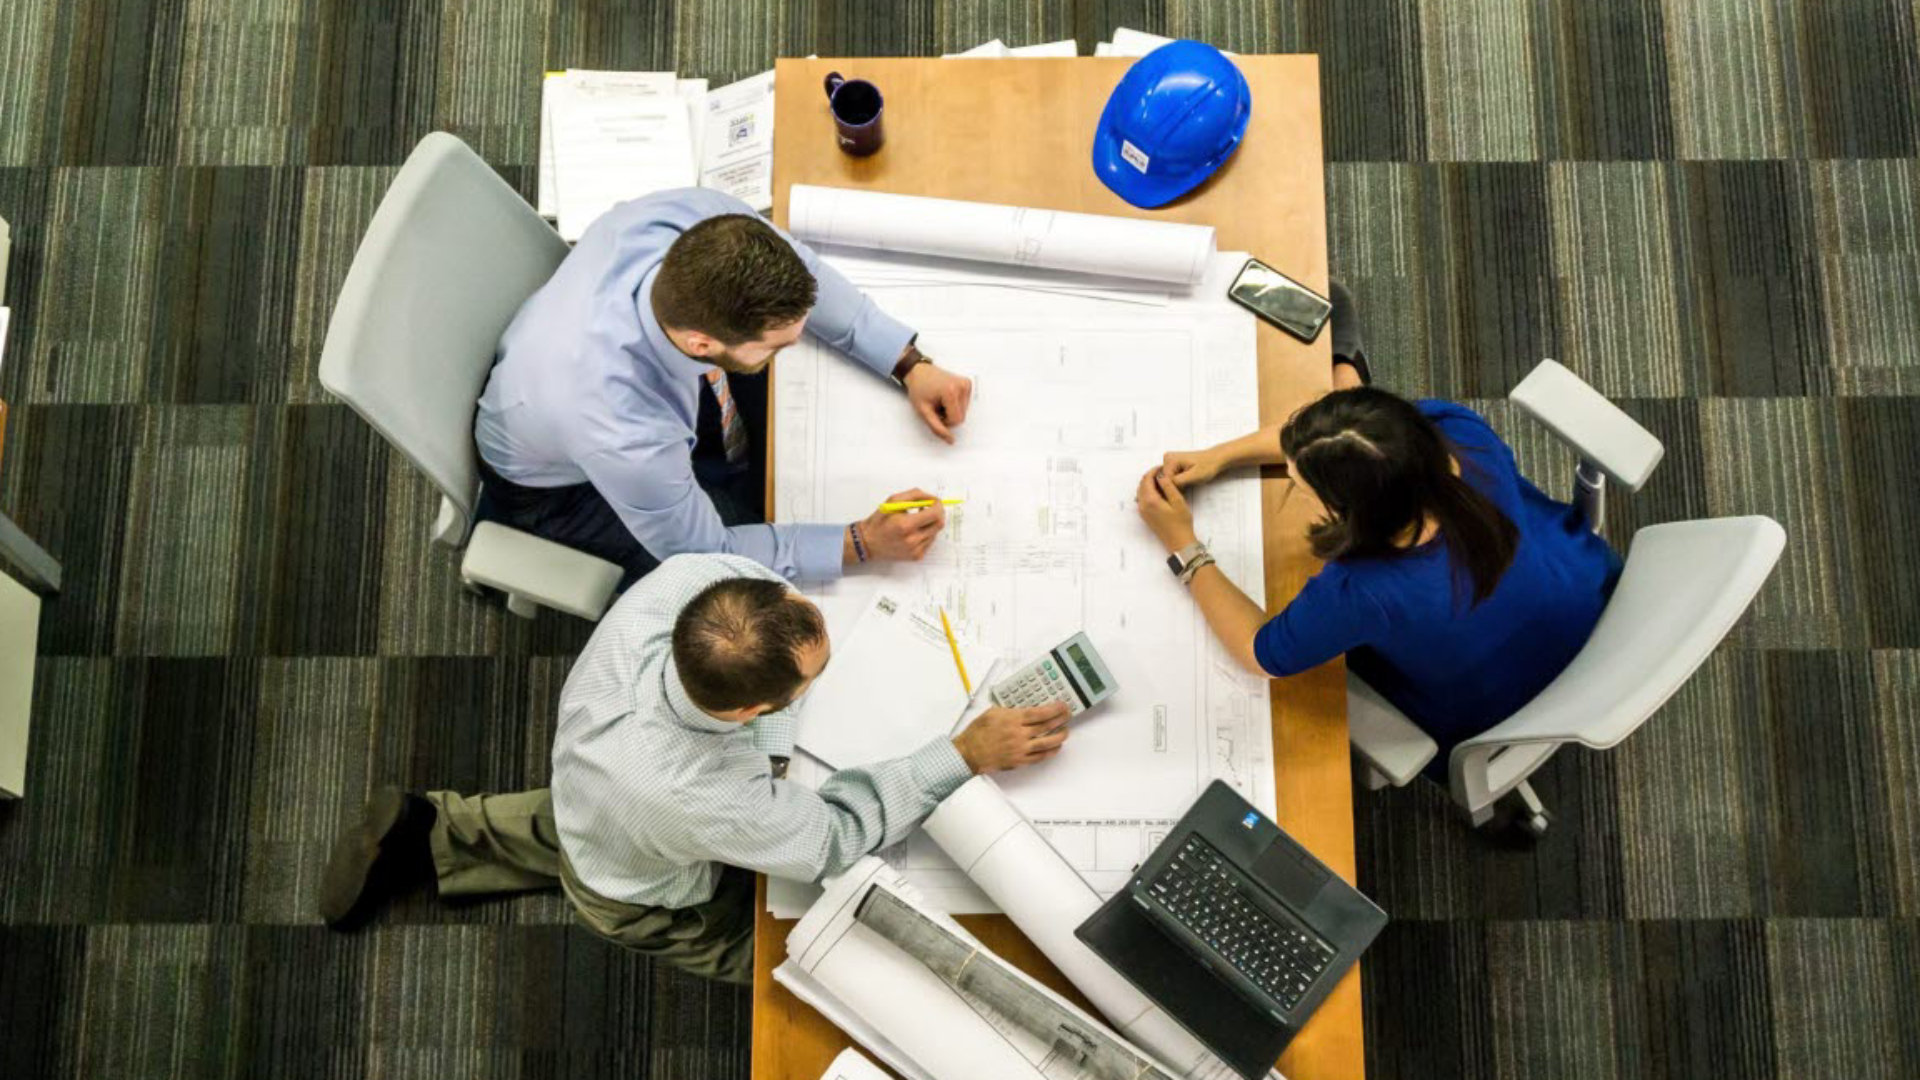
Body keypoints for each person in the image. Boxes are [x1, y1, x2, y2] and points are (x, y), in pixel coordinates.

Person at [317, 553, 1070, 983]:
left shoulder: (692, 584)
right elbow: (832, 839)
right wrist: (962, 752)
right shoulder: (700, 796)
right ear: (752, 712)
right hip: (640, 885)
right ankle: (802, 970)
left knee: (587, 819)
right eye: (813, 678)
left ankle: (435, 830)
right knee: (791, 954)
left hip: (596, 783)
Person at [1133, 285, 1620, 777]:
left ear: (1353, 513)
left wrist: (1184, 545)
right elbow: (1351, 439)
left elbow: (1262, 653)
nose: (1293, 484)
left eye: (1301, 485)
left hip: (1499, 706)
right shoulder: (1456, 431)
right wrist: (1220, 456)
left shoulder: (1364, 591)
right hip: (1588, 593)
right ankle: (1346, 374)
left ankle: (1346, 369)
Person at [474, 188, 977, 585]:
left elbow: (807, 272)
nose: (795, 346)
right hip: (559, 490)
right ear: (701, 343)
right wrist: (861, 542)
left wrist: (907, 362)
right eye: (777, 345)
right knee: (743, 589)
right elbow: (706, 553)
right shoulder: (624, 430)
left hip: (567, 373)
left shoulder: (696, 220)